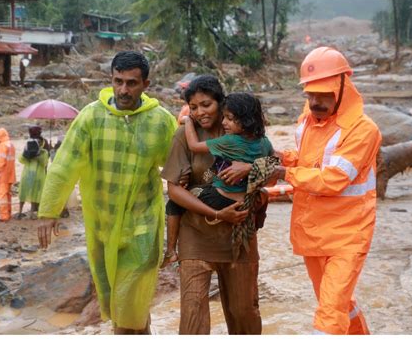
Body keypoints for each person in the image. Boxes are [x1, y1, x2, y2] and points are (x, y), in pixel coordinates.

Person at [36, 51, 177, 334]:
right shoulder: (91, 117)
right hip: (102, 227)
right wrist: (49, 211)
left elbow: (180, 168)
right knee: (122, 307)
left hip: (142, 226)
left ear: (145, 85)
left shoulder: (160, 122)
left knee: (127, 305)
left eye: (132, 83)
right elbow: (65, 165)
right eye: (118, 81)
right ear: (110, 80)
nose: (124, 90)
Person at [268, 46, 382, 334]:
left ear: (343, 87)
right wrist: (282, 157)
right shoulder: (309, 118)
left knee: (329, 314)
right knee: (339, 304)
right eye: (310, 94)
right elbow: (309, 158)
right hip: (313, 230)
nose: (315, 102)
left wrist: (285, 172)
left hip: (348, 235)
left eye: (323, 95)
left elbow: (333, 179)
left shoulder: (363, 130)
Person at [161, 75, 263, 334]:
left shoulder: (246, 133)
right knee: (193, 315)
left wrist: (248, 167)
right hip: (196, 235)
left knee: (244, 314)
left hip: (239, 235)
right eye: (193, 107)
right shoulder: (185, 135)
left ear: (221, 102)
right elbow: (173, 190)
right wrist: (216, 212)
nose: (200, 113)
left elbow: (275, 168)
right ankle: (172, 250)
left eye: (206, 104)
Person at [161, 92, 274, 268]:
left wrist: (188, 121)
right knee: (219, 171)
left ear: (244, 121)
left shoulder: (229, 141)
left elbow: (194, 146)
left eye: (229, 118)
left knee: (176, 202)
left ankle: (170, 251)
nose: (224, 122)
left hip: (220, 198)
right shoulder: (264, 142)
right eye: (193, 108)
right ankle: (261, 213)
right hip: (246, 200)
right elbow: (273, 163)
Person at [16, 126, 49, 220]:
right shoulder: (44, 150)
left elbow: (21, 160)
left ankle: (21, 212)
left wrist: (30, 153)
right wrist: (32, 154)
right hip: (38, 175)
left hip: (28, 173)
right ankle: (30, 213)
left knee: (25, 192)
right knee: (35, 193)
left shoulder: (32, 146)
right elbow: (45, 163)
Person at [0, 128, 16, 222]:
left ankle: (4, 216)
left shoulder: (2, 146)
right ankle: (8, 214)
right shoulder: (11, 144)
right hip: (10, 174)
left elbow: (1, 162)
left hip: (3, 175)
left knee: (2, 196)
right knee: (8, 195)